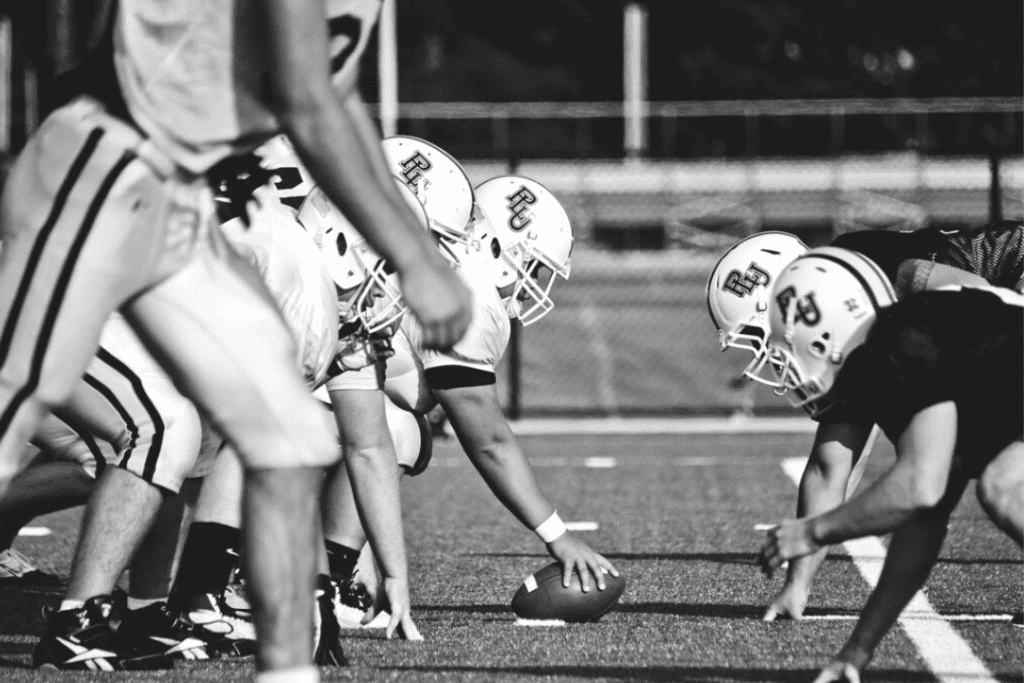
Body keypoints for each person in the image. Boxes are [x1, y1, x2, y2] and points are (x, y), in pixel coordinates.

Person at [0, 2, 471, 681]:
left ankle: (141, 609)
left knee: (173, 436)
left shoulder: (293, 248)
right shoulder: (296, 268)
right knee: (161, 429)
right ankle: (79, 619)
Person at [320, 164, 620, 620]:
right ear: (499, 248)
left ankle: (336, 576)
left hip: (305, 399)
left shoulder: (447, 269)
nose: (533, 284)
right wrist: (558, 535)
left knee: (398, 422)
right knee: (401, 428)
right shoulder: (472, 296)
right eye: (534, 267)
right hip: (293, 408)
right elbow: (489, 442)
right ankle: (323, 579)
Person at [706, 222, 1024, 620]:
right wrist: (797, 585)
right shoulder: (845, 336)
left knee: (1000, 477)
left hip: (1012, 276)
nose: (774, 354)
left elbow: (982, 299)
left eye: (766, 336)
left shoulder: (864, 271)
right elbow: (829, 470)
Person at [755, 247, 1023, 683]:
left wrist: (811, 530)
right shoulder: (934, 341)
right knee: (1001, 481)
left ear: (825, 330)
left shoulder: (904, 342)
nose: (788, 360)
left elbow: (919, 486)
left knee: (1003, 485)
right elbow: (922, 518)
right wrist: (857, 650)